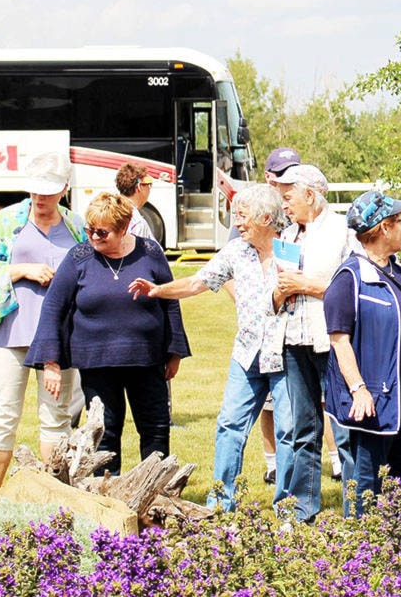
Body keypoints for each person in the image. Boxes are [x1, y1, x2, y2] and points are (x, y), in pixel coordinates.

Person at [128, 185, 317, 520]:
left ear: (264, 217)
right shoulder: (235, 252)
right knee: (229, 425)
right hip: (246, 354)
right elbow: (197, 282)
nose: (237, 222)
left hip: (284, 352)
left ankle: (287, 509)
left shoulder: (294, 248)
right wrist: (158, 290)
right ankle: (219, 504)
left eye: (243, 216)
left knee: (288, 432)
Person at [26, 193, 188, 474]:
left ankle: (158, 491)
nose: (93, 237)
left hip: (146, 360)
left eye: (102, 232)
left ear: (124, 228)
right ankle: (107, 497)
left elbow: (169, 300)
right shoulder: (79, 256)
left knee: (156, 428)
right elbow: (54, 306)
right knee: (106, 433)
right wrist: (50, 362)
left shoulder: (150, 252)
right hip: (97, 363)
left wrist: (174, 352)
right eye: (89, 230)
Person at [325, 190, 401, 515]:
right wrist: (358, 389)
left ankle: (400, 544)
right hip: (375, 397)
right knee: (368, 478)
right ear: (384, 227)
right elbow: (339, 339)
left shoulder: (398, 270)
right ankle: (361, 547)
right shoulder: (350, 277)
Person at [0, 151, 87, 492]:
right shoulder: (8, 220)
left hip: (59, 338)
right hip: (10, 335)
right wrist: (21, 270)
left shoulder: (76, 226)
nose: (40, 199)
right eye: (35, 191)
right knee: (3, 416)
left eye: (48, 192)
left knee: (57, 418)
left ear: (65, 188)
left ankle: (56, 499)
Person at [268, 164, 354, 515]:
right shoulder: (287, 237)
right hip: (294, 340)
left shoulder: (342, 232)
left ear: (310, 194)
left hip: (331, 341)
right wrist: (279, 293)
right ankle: (303, 508)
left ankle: (357, 507)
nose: (284, 205)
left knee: (346, 429)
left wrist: (306, 286)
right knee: (304, 428)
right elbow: (274, 292)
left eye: (289, 197)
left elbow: (352, 289)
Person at [114, 162, 156, 242]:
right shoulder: (137, 222)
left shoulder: (109, 211)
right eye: (148, 185)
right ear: (139, 186)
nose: (149, 189)